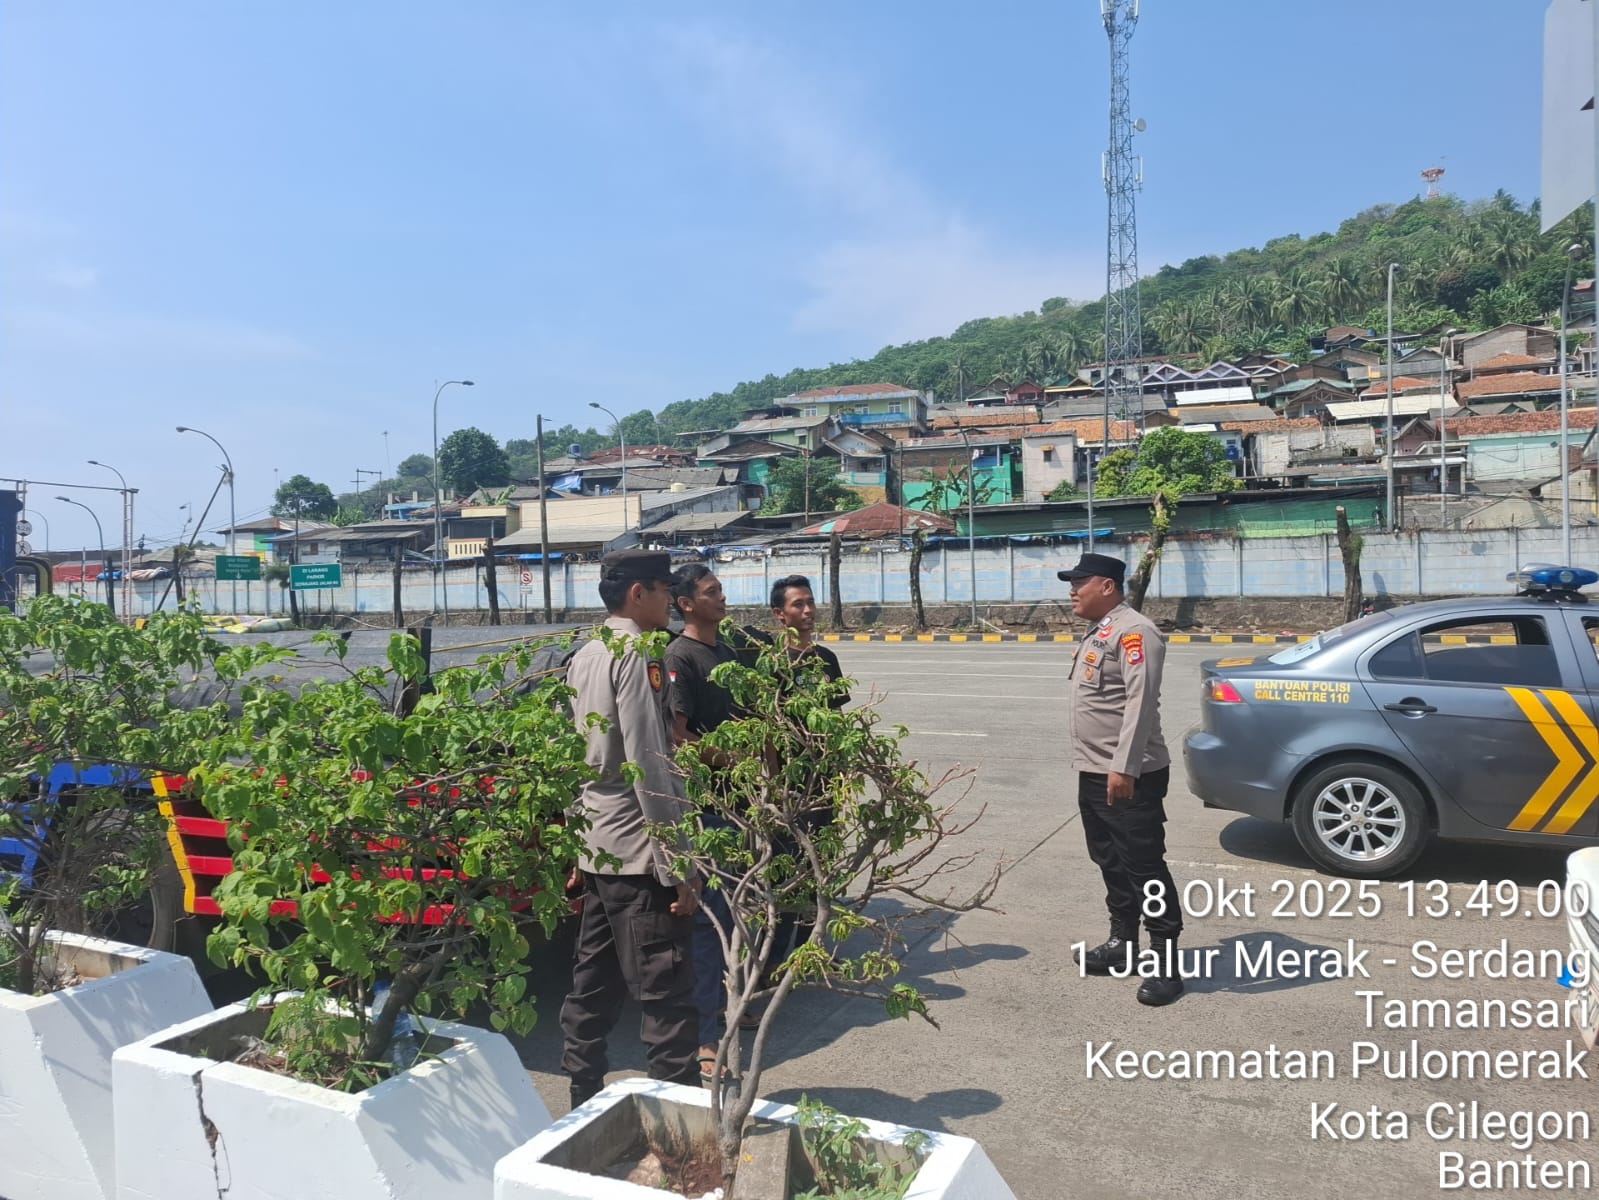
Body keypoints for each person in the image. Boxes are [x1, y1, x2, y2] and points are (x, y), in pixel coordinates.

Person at [559, 549, 702, 1108]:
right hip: (641, 853)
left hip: (599, 847)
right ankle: (682, 1125)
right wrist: (679, 864)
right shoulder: (639, 654)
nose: (672, 601)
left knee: (592, 986)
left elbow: (570, 756)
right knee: (667, 996)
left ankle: (580, 1102)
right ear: (638, 593)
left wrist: (577, 844)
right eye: (665, 590)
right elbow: (650, 764)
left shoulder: (587, 653)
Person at [1059, 552, 1183, 1007]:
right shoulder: (1101, 630)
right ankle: (1123, 943)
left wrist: (1124, 766)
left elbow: (1140, 702)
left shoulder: (1136, 632)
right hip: (1094, 770)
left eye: (1080, 582)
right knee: (1109, 860)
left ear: (1107, 586)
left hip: (1129, 774)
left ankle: (1166, 964)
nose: (1073, 591)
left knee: (1145, 867)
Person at [662, 564, 745, 1081]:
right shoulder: (680, 657)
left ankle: (729, 1009)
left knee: (734, 917)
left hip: (739, 804)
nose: (722, 598)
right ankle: (705, 1038)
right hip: (704, 807)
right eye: (712, 592)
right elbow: (678, 737)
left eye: (721, 590)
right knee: (708, 923)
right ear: (687, 603)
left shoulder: (727, 653)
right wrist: (730, 760)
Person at [769, 575, 849, 708]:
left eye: (810, 602)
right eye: (798, 604)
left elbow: (836, 709)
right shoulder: (775, 661)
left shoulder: (827, 657)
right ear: (779, 613)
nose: (808, 610)